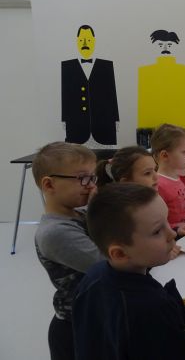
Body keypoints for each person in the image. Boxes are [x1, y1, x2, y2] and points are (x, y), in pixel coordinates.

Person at [73, 183, 185, 360]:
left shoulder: (94, 275)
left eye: (167, 222)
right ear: (120, 253)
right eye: (157, 231)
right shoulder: (150, 309)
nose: (172, 234)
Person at [32, 142, 104, 360]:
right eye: (82, 178)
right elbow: (107, 263)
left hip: (95, 319)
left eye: (92, 177)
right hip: (76, 329)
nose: (90, 186)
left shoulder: (81, 213)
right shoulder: (55, 232)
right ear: (49, 184)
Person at [61, 24, 119, 146]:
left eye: (88, 40)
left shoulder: (106, 65)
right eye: (81, 40)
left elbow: (112, 94)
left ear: (94, 41)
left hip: (103, 126)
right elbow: (65, 95)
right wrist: (64, 119)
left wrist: (116, 119)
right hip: (77, 127)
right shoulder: (67, 66)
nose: (85, 44)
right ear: (77, 42)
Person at [137, 30, 185, 130]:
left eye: (169, 45)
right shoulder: (144, 71)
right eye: (160, 45)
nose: (165, 49)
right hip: (152, 126)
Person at [152, 124, 185, 235]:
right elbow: (156, 223)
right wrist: (176, 229)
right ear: (165, 155)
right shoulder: (159, 185)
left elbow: (176, 207)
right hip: (174, 238)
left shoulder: (176, 176)